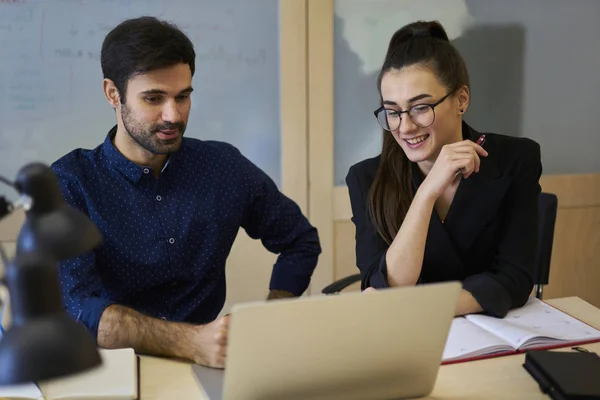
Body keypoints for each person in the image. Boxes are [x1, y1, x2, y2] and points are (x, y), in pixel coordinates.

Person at [50, 16, 321, 369]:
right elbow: (78, 310)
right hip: (112, 371)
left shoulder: (222, 165)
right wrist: (191, 341)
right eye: (153, 98)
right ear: (112, 93)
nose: (172, 115)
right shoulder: (70, 183)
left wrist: (267, 322)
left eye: (183, 97)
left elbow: (300, 240)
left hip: (208, 366)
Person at [347, 20, 542, 318]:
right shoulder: (366, 179)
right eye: (392, 112)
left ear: (461, 100)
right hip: (408, 337)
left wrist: (426, 306)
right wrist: (427, 193)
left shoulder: (516, 159)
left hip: (488, 331)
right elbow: (383, 285)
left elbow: (515, 278)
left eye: (421, 107)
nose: (405, 126)